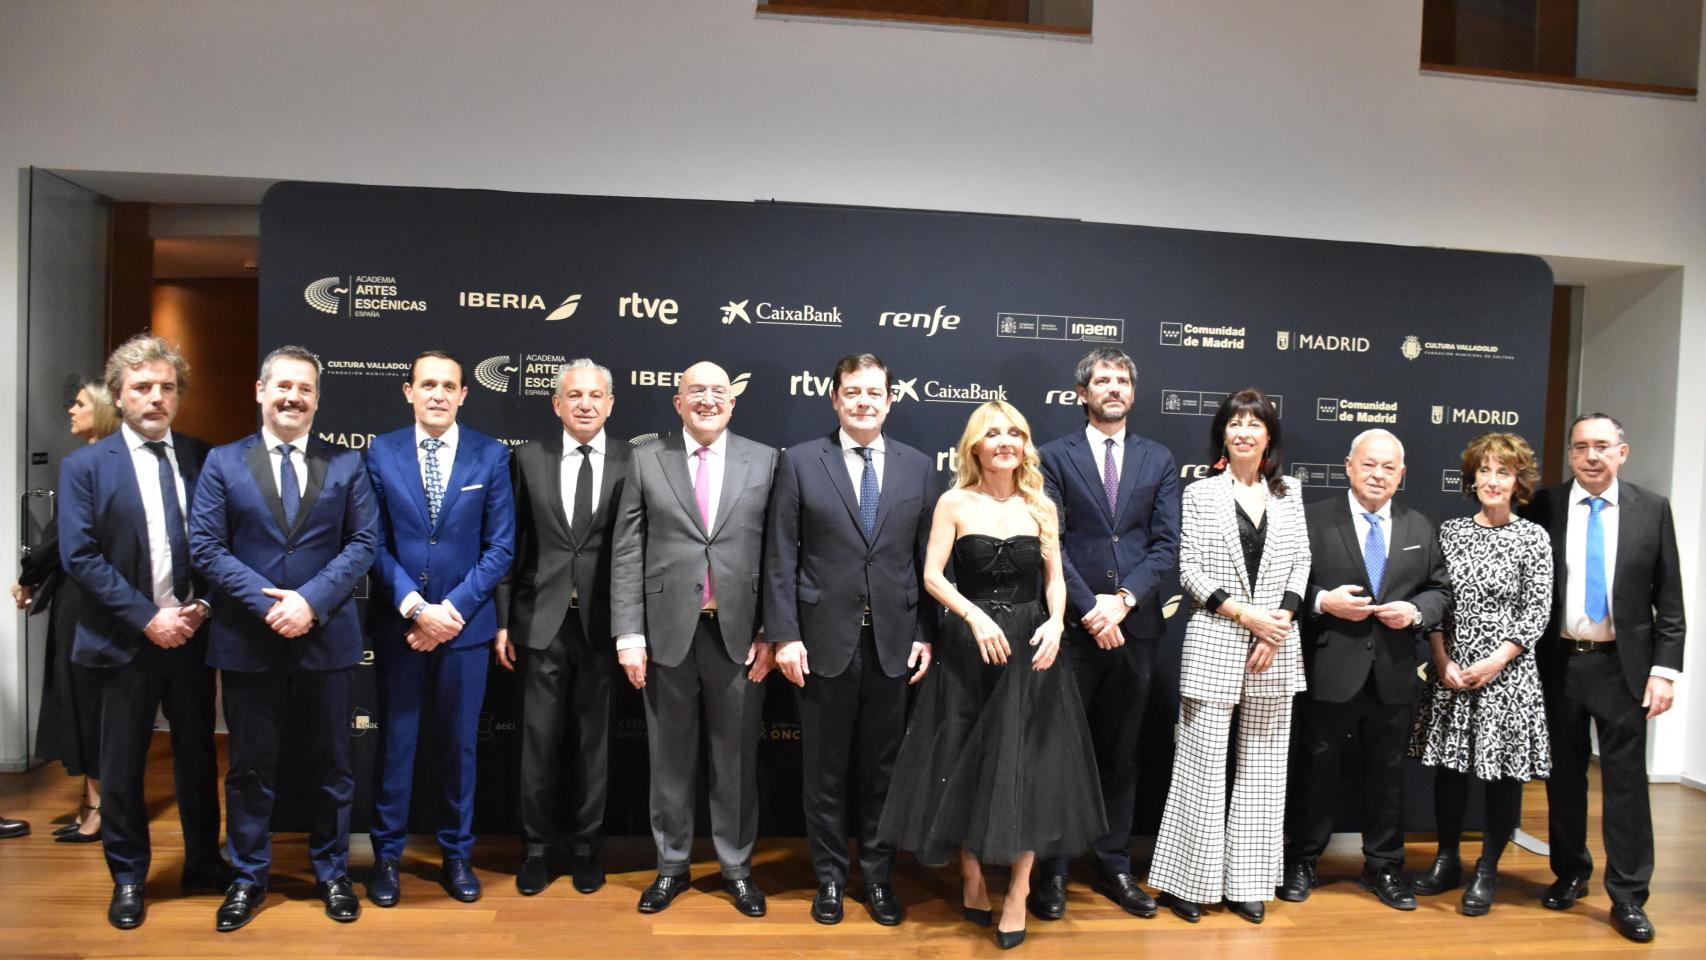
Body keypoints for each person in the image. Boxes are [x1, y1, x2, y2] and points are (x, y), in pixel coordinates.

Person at [879, 400, 1106, 951]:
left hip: (1032, 650)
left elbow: (1054, 579)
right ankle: (972, 873)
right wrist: (973, 616)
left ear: (1024, 444)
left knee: (1029, 767)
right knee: (962, 761)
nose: (1005, 441)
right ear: (974, 447)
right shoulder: (954, 502)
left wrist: (1056, 622)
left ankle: (1019, 891)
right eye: (993, 433)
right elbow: (933, 576)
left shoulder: (1041, 505)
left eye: (1015, 433)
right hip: (968, 648)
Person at [188, 345, 378, 931]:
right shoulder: (223, 462)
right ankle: (248, 876)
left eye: (305, 388)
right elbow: (206, 548)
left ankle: (333, 872)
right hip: (249, 640)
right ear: (260, 391)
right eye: (283, 386)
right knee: (249, 768)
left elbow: (364, 543)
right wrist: (272, 604)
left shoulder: (347, 464)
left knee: (333, 766)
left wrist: (309, 603)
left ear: (317, 399)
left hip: (326, 639)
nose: (293, 397)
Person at [58, 335, 228, 930]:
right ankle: (129, 876)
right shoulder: (84, 467)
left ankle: (203, 862)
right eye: (143, 388)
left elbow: (220, 544)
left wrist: (202, 606)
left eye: (167, 388)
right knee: (123, 764)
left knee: (197, 756)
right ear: (119, 395)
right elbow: (80, 556)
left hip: (192, 635)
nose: (156, 398)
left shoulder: (204, 457)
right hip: (123, 640)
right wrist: (148, 618)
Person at [765, 354, 937, 926]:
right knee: (824, 772)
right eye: (853, 392)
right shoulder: (798, 462)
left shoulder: (917, 467)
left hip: (894, 644)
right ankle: (831, 879)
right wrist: (784, 635)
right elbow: (779, 557)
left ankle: (880, 879)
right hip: (820, 644)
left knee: (883, 770)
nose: (864, 402)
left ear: (890, 400)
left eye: (874, 392)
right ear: (835, 398)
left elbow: (928, 563)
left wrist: (925, 633)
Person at [610, 361, 779, 917]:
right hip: (665, 635)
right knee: (670, 760)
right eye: (696, 391)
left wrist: (771, 632)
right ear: (677, 402)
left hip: (740, 636)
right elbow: (627, 552)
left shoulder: (766, 460)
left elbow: (779, 555)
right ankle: (671, 866)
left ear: (733, 402)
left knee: (736, 762)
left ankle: (736, 869)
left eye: (718, 391)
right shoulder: (645, 459)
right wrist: (629, 633)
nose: (708, 399)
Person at [1146, 388, 1310, 925]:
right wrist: (1247, 617)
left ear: (1269, 437)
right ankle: (1188, 882)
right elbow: (1189, 570)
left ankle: (1248, 883)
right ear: (1222, 434)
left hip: (1275, 646)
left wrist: (1278, 623)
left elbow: (1302, 563)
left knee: (1264, 769)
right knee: (1200, 766)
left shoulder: (1290, 493)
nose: (1243, 431)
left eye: (1254, 423)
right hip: (1217, 639)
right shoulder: (1200, 494)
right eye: (1235, 423)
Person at [1524, 413, 1685, 943]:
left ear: (1622, 452)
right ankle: (1570, 872)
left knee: (1626, 785)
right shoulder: (1544, 506)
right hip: (1559, 663)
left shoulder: (1652, 509)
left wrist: (1664, 672)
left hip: (1623, 668)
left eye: (1600, 446)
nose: (1590, 456)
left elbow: (1670, 600)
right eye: (1580, 447)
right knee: (1564, 778)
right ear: (1570, 454)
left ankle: (1629, 895)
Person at [364, 351, 515, 906]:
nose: (438, 394)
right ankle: (386, 857)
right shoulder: (380, 452)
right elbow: (372, 542)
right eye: (428, 384)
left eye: (449, 386)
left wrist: (448, 612)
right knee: (397, 745)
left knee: (458, 748)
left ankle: (457, 855)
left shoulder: (490, 454)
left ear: (463, 395)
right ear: (408, 391)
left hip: (464, 629)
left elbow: (500, 547)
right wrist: (414, 607)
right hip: (400, 626)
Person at [1033, 348, 1179, 921]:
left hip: (1135, 628)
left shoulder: (1158, 458)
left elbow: (1165, 545)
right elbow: (1051, 541)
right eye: (1102, 380)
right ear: (1082, 393)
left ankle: (1114, 864)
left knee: (1121, 752)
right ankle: (1053, 869)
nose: (1113, 388)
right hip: (1072, 629)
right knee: (1060, 750)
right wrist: (1092, 607)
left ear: (1133, 393)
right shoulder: (1053, 457)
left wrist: (1123, 602)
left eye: (1122, 380)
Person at [1280, 428, 1451, 910]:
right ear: (1349, 466)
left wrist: (1415, 612)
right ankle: (1303, 860)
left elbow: (1440, 592)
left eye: (1388, 467)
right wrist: (1322, 601)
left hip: (1394, 673)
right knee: (1316, 770)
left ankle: (1384, 866)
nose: (1378, 474)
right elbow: (1285, 583)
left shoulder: (1419, 527)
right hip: (1328, 668)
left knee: (1387, 776)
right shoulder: (1312, 519)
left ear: (1402, 474)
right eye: (1369, 464)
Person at [494, 359, 629, 896]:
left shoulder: (633, 461)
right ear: (557, 403)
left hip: (605, 623)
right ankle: (536, 848)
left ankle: (586, 848)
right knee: (539, 741)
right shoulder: (527, 459)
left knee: (595, 744)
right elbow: (509, 544)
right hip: (540, 622)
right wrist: (503, 620)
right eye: (574, 395)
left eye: (595, 395)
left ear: (610, 404)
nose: (585, 404)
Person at [1408, 432, 1552, 916]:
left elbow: (1536, 613)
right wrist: (1442, 660)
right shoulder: (1449, 532)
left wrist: (1495, 662)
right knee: (1450, 772)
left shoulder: (1533, 537)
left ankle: (1488, 870)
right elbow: (1435, 602)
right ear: (1471, 478)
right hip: (1452, 672)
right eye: (1484, 471)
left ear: (1518, 482)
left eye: (1503, 472)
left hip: (1506, 676)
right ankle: (1446, 860)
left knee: (1502, 776)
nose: (1492, 480)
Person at [12, 382, 119, 844]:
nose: (71, 410)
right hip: (86, 595)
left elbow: (62, 537)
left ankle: (99, 807)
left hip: (89, 599)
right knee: (82, 699)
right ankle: (92, 801)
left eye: (79, 403)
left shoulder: (91, 465)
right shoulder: (98, 461)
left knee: (86, 700)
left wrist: (28, 576)